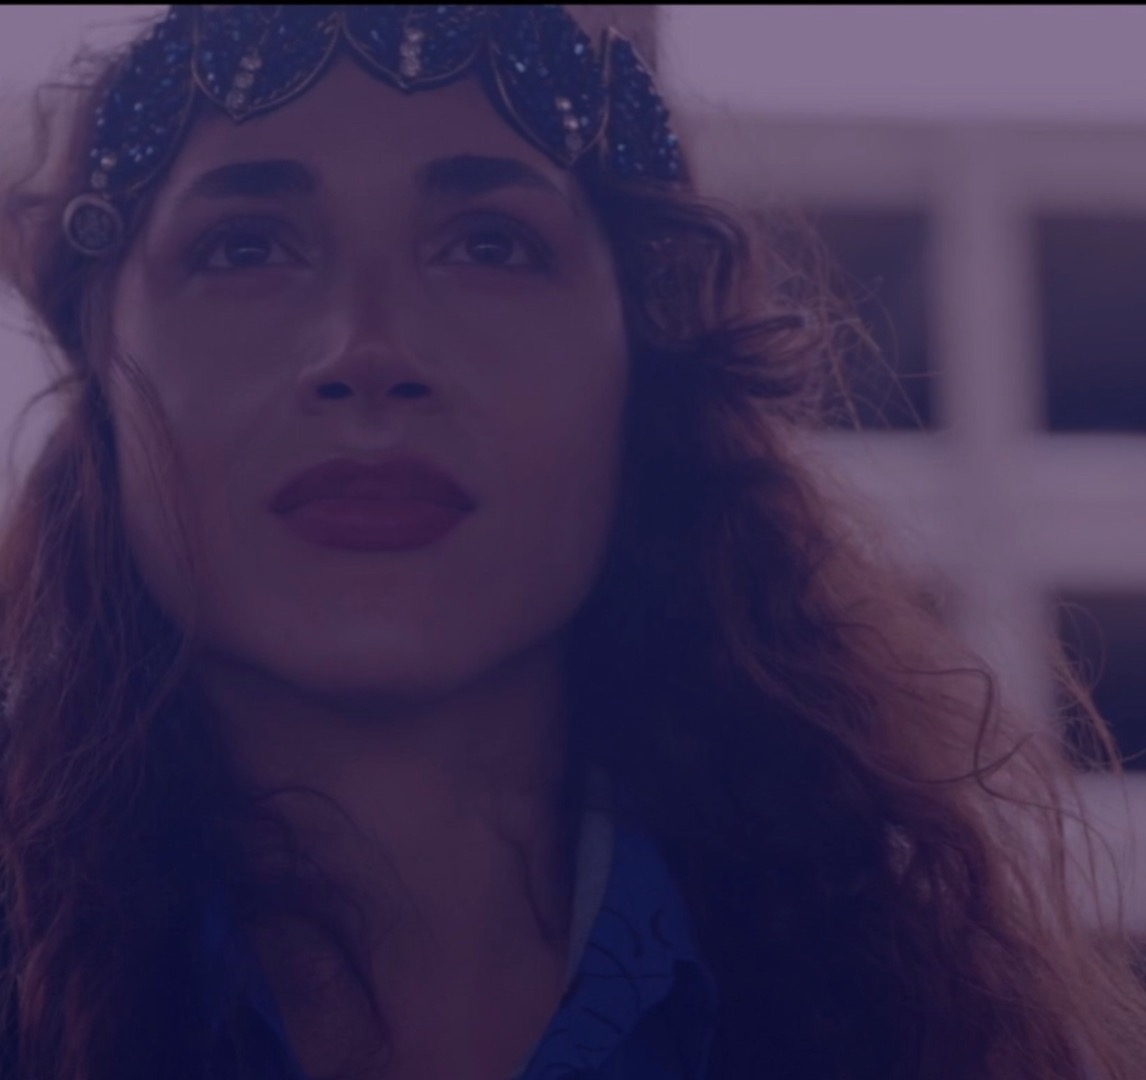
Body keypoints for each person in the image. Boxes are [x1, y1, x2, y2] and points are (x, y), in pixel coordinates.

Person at [0, 5, 1141, 1079]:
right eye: (246, 248)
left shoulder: (908, 1018)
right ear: (101, 369)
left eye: (488, 245)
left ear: (638, 369)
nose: (368, 350)